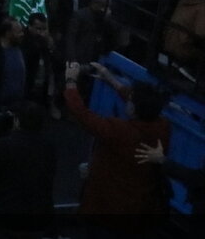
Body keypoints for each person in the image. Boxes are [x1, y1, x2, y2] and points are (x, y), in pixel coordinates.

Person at [64, 60, 171, 216]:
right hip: (139, 207)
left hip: (107, 206)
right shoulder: (163, 127)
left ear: (134, 108)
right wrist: (109, 78)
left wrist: (71, 81)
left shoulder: (120, 131)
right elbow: (137, 99)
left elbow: (82, 114)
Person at [0, 101, 55, 234]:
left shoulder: (4, 145)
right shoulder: (49, 147)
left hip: (5, 214)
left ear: (17, 121)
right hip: (36, 215)